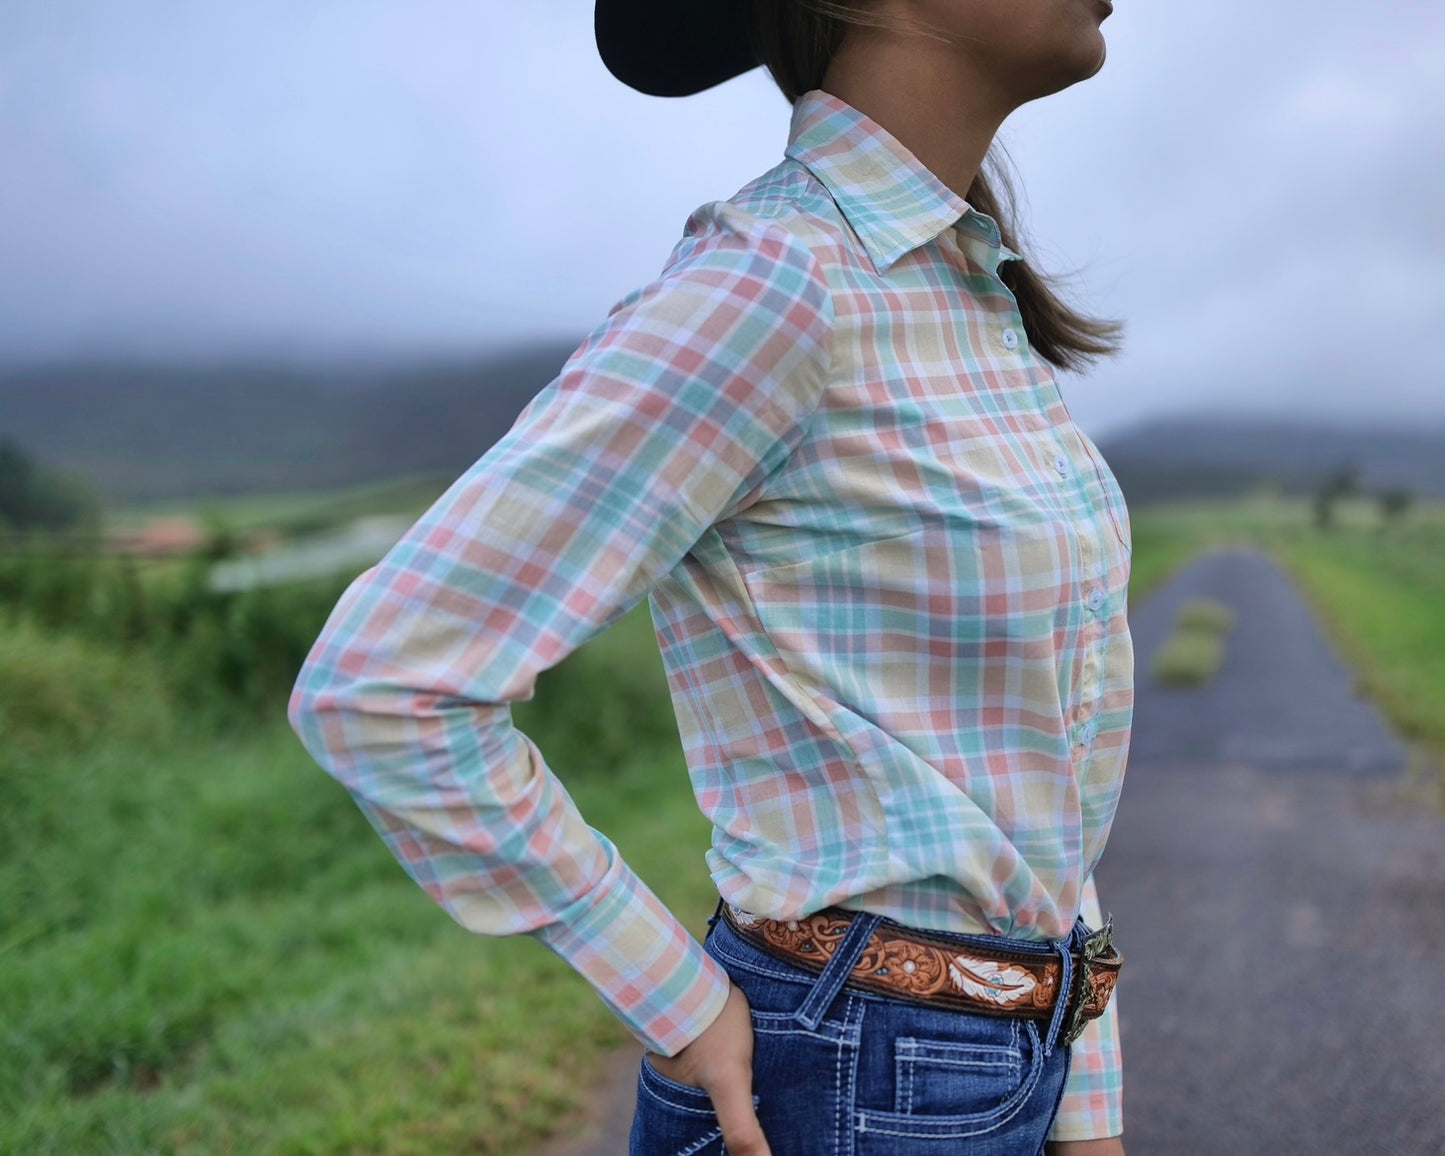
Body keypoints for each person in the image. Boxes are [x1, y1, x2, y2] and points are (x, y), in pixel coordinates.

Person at [289, 0, 1134, 1152]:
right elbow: (383, 683)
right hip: (846, 1082)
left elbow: (1042, 759)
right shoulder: (774, 285)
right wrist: (672, 999)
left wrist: (1082, 1102)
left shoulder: (960, 292)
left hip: (997, 1062)